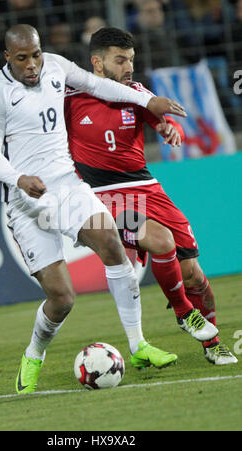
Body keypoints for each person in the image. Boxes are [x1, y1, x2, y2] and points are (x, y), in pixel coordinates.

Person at [0, 23, 207, 395]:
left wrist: (147, 101)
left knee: (114, 248)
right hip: (25, 201)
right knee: (62, 298)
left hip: (66, 185)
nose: (32, 65)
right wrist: (17, 179)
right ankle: (34, 354)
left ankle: (138, 345)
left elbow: (99, 85)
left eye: (35, 55)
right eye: (22, 59)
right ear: (7, 57)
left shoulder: (56, 67)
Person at [63, 27, 237, 365]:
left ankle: (212, 343)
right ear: (97, 63)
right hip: (103, 196)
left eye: (131, 59)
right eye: (120, 60)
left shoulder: (137, 93)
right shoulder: (69, 99)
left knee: (194, 276)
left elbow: (160, 120)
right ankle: (185, 313)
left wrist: (170, 129)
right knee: (160, 240)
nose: (129, 67)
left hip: (147, 188)